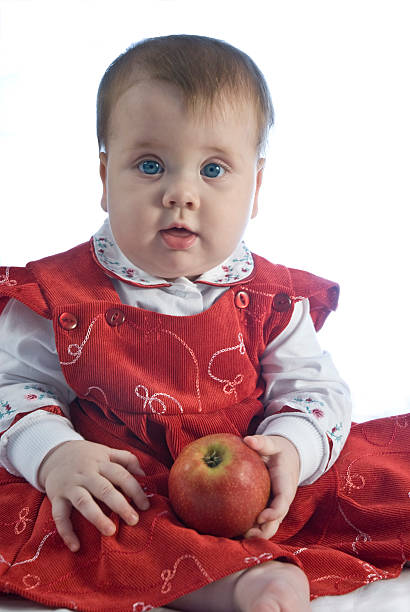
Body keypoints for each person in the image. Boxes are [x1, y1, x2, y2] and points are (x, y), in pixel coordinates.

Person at [0, 35, 407, 612]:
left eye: (213, 169)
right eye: (149, 165)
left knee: (375, 477)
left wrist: (290, 450)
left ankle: (265, 553)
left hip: (249, 486)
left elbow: (313, 389)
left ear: (257, 187)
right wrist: (55, 454)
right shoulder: (59, 295)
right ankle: (237, 587)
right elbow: (12, 387)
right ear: (103, 174)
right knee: (83, 527)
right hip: (122, 492)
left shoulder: (270, 297)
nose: (180, 194)